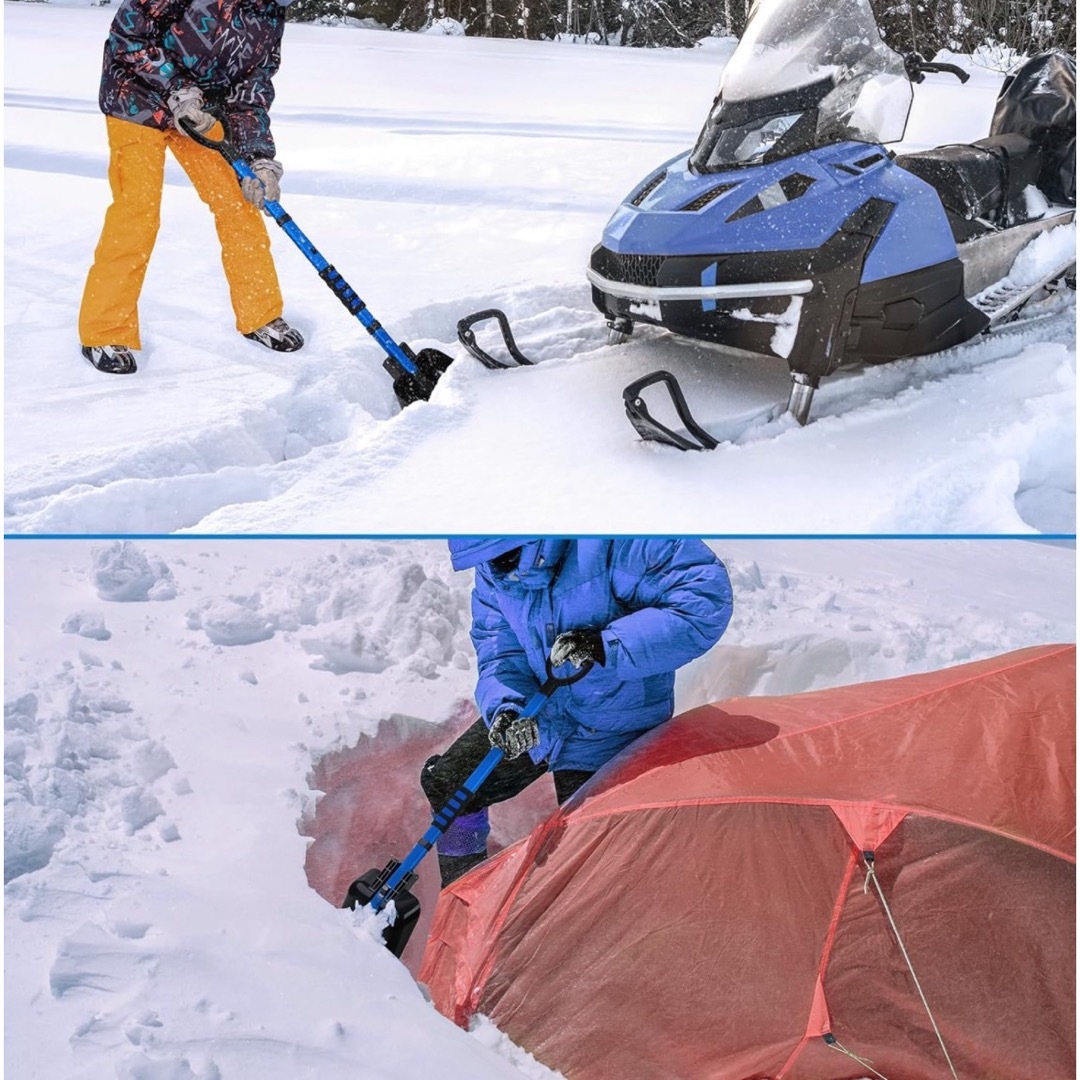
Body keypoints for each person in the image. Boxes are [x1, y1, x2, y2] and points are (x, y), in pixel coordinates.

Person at [423, 538, 734, 887]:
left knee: (597, 870)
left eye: (506, 557)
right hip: (542, 714)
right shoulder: (493, 567)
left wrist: (606, 645)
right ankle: (462, 906)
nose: (499, 569)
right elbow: (500, 653)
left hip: (614, 727)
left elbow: (704, 603)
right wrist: (506, 710)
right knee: (451, 784)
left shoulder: (617, 537)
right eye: (488, 561)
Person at [77, 0, 304, 375]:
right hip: (136, 101)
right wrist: (176, 88)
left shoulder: (270, 16)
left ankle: (260, 315)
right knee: (138, 212)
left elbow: (251, 92)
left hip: (199, 115)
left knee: (238, 203)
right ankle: (104, 330)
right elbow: (128, 34)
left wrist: (260, 158)